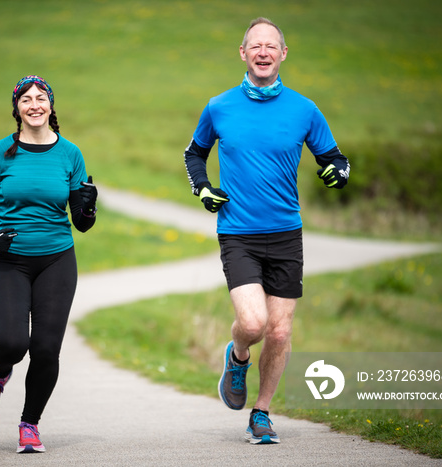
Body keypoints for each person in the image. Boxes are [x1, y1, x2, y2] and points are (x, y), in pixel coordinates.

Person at [183, 17, 349, 444]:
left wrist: (337, 172)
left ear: (283, 54)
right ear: (243, 53)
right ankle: (237, 358)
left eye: (270, 46)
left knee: (279, 331)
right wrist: (203, 189)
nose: (262, 52)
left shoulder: (304, 109)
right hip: (238, 231)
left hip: (286, 234)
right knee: (253, 324)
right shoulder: (219, 106)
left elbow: (334, 157)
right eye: (254, 45)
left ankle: (261, 413)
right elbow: (194, 154)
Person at [0, 75, 98, 453]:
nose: (35, 104)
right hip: (7, 260)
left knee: (44, 350)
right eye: (27, 99)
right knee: (11, 343)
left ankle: (30, 425)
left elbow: (82, 224)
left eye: (42, 98)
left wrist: (88, 206)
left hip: (56, 260)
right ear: (17, 109)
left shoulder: (70, 154)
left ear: (51, 106)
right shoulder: (0, 153)